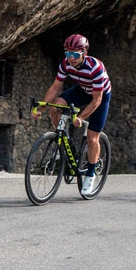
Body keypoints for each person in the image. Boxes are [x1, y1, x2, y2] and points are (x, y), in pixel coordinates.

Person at [33, 33, 111, 196]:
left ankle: (90, 174)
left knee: (92, 138)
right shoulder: (65, 64)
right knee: (56, 106)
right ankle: (62, 138)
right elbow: (55, 87)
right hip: (82, 90)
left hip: (100, 96)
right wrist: (42, 107)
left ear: (84, 53)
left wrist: (81, 117)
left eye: (75, 54)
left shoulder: (95, 67)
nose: (71, 58)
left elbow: (96, 100)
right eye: (68, 54)